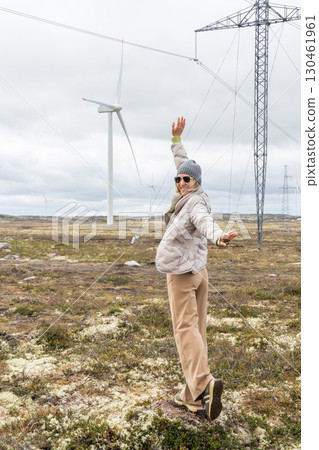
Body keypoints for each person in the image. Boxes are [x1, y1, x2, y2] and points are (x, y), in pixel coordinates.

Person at [155, 117, 237, 421]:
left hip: (183, 274)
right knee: (198, 329)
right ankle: (190, 397)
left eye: (186, 180)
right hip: (199, 272)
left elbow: (204, 222)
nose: (180, 183)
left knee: (185, 329)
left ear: (196, 183)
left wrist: (218, 235)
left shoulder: (195, 204)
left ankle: (204, 384)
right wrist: (176, 140)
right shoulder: (190, 195)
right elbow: (184, 163)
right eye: (178, 179)